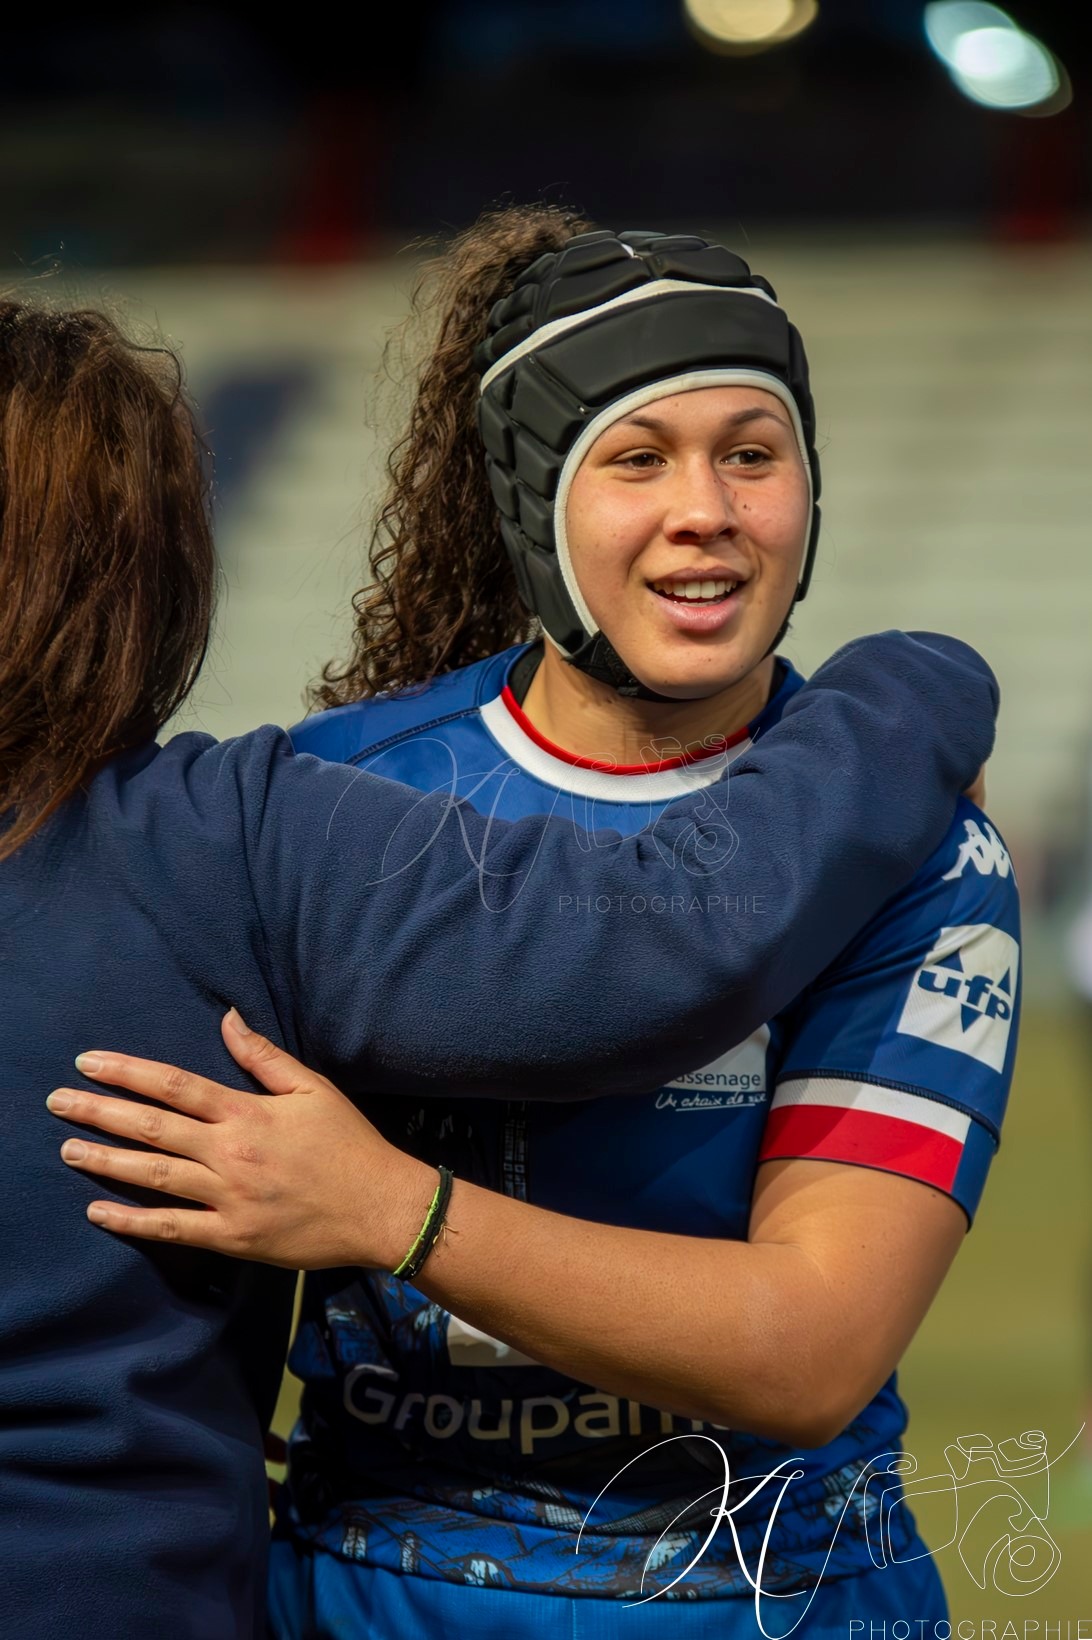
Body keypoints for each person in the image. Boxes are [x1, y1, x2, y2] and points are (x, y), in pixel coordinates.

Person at [55, 212, 1021, 1638]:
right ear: (531, 497)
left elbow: (811, 1350)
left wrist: (389, 1209)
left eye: (752, 453)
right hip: (371, 1597)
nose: (710, 508)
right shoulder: (316, 805)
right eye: (637, 459)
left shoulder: (916, 847)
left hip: (773, 1597)